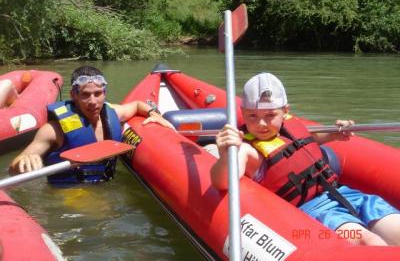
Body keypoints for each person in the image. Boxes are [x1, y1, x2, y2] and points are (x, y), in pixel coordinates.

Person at [210, 72, 400, 246]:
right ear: (242, 113)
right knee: (370, 241)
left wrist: (336, 133)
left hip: (342, 193)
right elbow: (221, 181)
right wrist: (227, 154)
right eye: (252, 116)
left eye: (270, 115)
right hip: (315, 211)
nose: (261, 123)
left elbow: (312, 140)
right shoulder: (245, 150)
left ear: (285, 111)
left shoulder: (291, 126)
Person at [9, 66, 174, 184]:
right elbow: (13, 169)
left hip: (105, 185)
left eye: (97, 94)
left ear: (104, 94)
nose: (93, 101)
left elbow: (137, 105)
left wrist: (154, 114)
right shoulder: (53, 130)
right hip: (67, 195)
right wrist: (24, 160)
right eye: (86, 95)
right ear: (74, 95)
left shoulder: (113, 113)